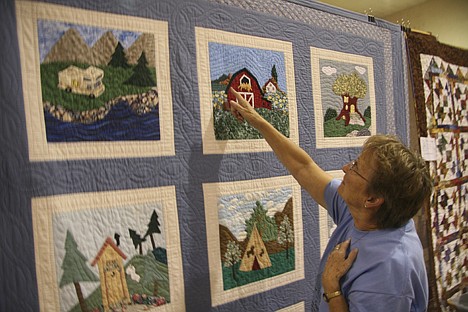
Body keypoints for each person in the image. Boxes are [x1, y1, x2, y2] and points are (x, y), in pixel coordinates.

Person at [228, 87, 432, 312]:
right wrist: (259, 121)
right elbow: (303, 167)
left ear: (372, 199)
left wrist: (332, 287)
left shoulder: (388, 271)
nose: (346, 167)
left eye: (356, 168)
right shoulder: (361, 212)